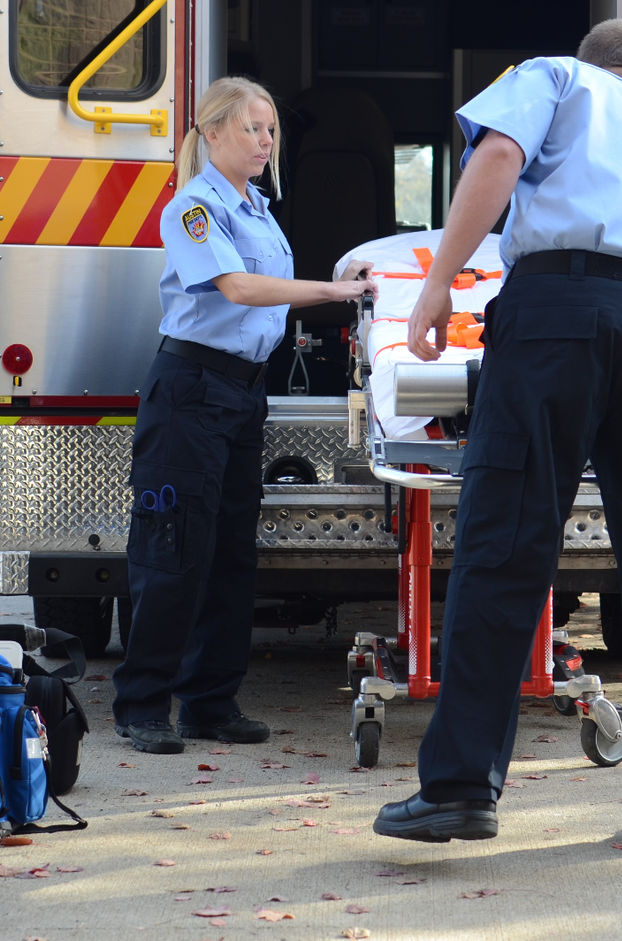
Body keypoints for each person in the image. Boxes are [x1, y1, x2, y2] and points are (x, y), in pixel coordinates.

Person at [373, 19, 622, 842]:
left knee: (507, 543)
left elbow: (498, 158)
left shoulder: (558, 77)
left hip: (559, 313)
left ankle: (460, 786)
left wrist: (439, 282)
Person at [112, 77, 378, 753]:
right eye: (252, 129)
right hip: (192, 388)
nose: (265, 141)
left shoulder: (256, 207)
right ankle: (142, 705)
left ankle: (210, 703)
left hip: (240, 392)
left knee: (232, 552)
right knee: (174, 552)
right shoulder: (195, 207)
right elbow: (238, 287)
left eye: (271, 130)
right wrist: (332, 289)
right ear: (214, 133)